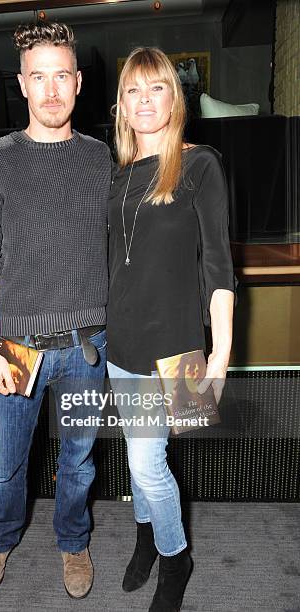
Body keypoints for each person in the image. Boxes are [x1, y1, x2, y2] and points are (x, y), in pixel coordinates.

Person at [0, 21, 111, 600]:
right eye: (38, 77)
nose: (51, 91)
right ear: (21, 85)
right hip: (15, 349)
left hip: (85, 347)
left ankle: (73, 543)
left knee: (78, 463)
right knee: (6, 467)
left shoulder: (102, 159)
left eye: (61, 77)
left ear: (77, 82)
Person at [106, 47, 235, 611]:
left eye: (155, 88)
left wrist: (222, 357)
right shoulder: (118, 177)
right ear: (121, 105)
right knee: (140, 458)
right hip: (122, 347)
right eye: (133, 90)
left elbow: (220, 270)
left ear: (174, 98)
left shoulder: (200, 164)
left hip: (180, 353)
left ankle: (176, 558)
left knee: (145, 464)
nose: (143, 100)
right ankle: (146, 538)